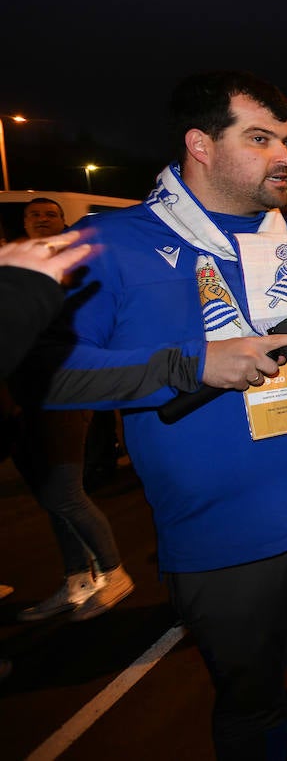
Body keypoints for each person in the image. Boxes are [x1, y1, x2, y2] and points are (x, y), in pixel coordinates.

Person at [40, 71, 287, 760]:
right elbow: (47, 377)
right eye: (260, 138)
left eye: (285, 140)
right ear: (201, 144)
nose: (285, 156)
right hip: (219, 538)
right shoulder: (111, 242)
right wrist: (192, 363)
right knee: (250, 701)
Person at [0, 234, 96, 684]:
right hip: (23, 406)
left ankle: (109, 573)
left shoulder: (55, 282)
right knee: (49, 496)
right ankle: (77, 577)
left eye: (50, 218)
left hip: (58, 401)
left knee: (65, 494)